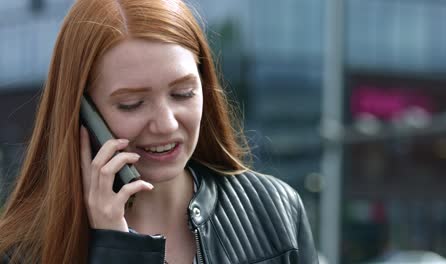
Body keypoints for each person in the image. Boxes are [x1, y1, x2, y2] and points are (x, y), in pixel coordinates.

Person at [0, 0, 319, 263]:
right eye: (132, 103)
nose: (166, 124)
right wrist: (115, 250)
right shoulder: (24, 253)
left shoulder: (274, 210)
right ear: (83, 112)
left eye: (183, 94)